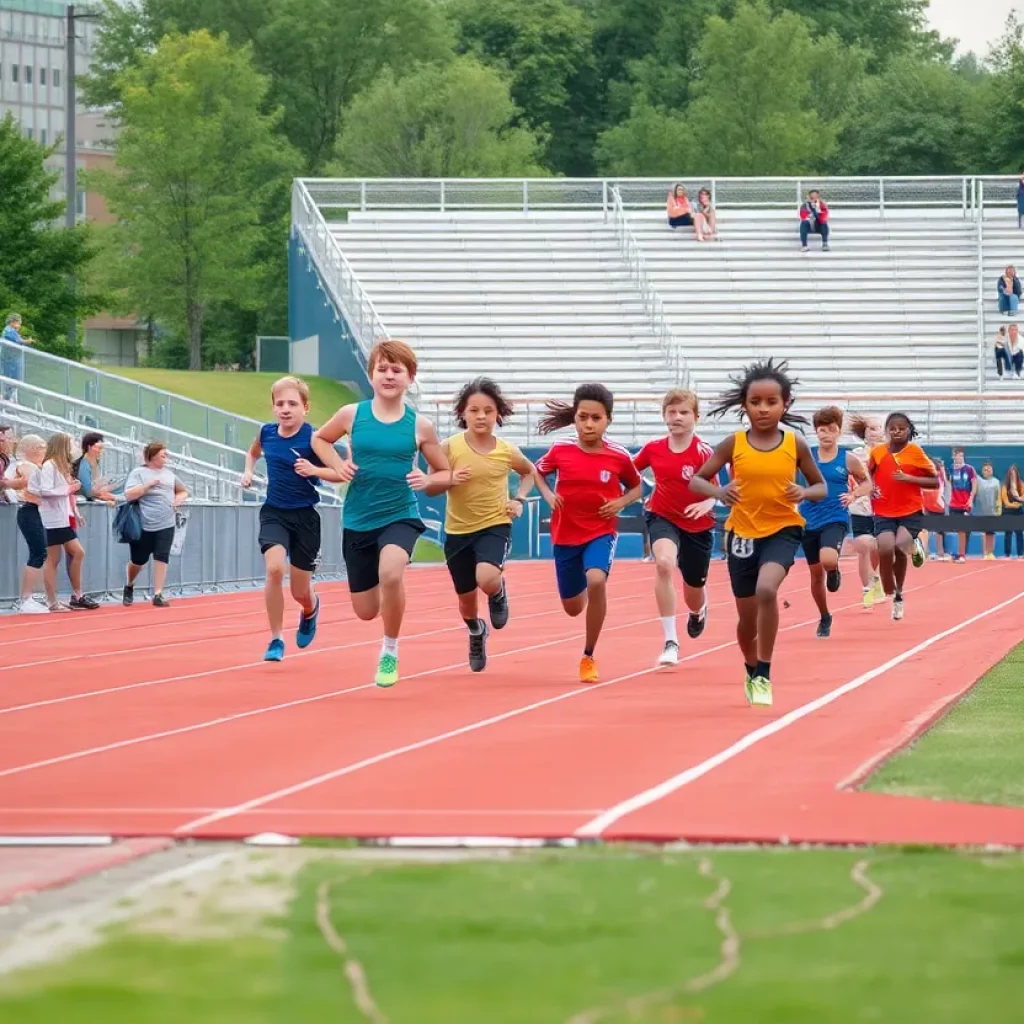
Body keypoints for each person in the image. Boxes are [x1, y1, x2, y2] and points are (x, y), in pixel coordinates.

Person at [312, 341, 450, 689]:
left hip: (400, 513)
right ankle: (382, 615)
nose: (389, 375)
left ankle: (390, 649)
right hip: (358, 518)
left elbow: (444, 473)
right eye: (382, 369)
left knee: (391, 573)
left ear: (410, 377)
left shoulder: (420, 425)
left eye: (397, 370)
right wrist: (338, 465)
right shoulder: (351, 414)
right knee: (365, 610)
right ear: (371, 374)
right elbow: (319, 440)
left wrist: (428, 479)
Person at [690, 359, 826, 707]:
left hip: (783, 529)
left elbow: (820, 487)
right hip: (742, 536)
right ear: (744, 405)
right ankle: (751, 667)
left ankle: (764, 672)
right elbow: (697, 479)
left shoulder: (794, 444)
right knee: (746, 621)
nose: (763, 409)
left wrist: (804, 493)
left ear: (786, 404)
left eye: (771, 402)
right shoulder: (733, 443)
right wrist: (719, 492)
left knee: (768, 589)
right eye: (756, 402)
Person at [532, 383, 642, 684]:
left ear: (608, 420)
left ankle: (588, 654)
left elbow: (637, 486)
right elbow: (537, 472)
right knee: (572, 607)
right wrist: (548, 496)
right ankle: (581, 592)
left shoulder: (618, 456)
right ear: (574, 417)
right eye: (583, 417)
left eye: (596, 418)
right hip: (566, 534)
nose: (589, 424)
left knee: (596, 580)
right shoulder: (561, 450)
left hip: (600, 531)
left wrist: (620, 502)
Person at [424, 378, 536, 672]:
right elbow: (430, 486)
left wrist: (520, 499)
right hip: (457, 532)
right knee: (466, 603)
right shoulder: (448, 447)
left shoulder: (506, 450)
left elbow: (529, 472)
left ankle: (498, 592)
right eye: (474, 410)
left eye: (488, 410)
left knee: (486, 577)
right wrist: (449, 478)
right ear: (463, 413)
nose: (481, 416)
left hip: (495, 525)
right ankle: (476, 631)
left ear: (498, 413)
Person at [242, 376, 327, 661]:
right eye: (280, 404)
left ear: (306, 407)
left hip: (305, 518)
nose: (285, 409)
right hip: (275, 512)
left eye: (292, 403)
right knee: (275, 569)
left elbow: (340, 471)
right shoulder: (266, 433)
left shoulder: (314, 438)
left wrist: (314, 470)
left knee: (299, 590)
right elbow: (253, 453)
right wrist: (249, 472)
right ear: (273, 407)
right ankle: (276, 639)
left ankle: (310, 607)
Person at [633, 388, 717, 668]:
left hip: (698, 525)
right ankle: (671, 641)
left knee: (693, 588)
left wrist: (706, 504)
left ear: (696, 417)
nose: (677, 417)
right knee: (664, 565)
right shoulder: (653, 448)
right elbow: (629, 471)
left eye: (683, 412)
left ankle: (698, 610)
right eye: (672, 412)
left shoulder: (704, 452)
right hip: (662, 516)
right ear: (664, 416)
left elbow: (715, 490)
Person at [800, 406, 870, 638]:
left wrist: (853, 494)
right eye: (822, 430)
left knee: (827, 559)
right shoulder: (806, 455)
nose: (826, 434)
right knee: (815, 576)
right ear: (816, 432)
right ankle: (824, 616)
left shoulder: (848, 458)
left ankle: (834, 569)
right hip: (808, 519)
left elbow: (868, 484)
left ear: (838, 432)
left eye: (831, 429)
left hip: (835, 518)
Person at [866, 413, 938, 621]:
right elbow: (868, 474)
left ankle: (899, 593)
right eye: (893, 428)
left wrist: (908, 478)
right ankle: (890, 589)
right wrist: (871, 488)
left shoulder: (915, 452)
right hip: (883, 510)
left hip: (910, 511)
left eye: (901, 428)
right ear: (887, 431)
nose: (897, 431)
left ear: (909, 431)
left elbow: (934, 482)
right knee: (886, 547)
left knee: (899, 546)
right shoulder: (878, 452)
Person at [29, 432, 99, 611]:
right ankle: (53, 600)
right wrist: (69, 488)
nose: (74, 446)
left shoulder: (59, 466)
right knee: (56, 558)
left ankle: (68, 597)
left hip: (60, 517)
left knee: (68, 555)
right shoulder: (49, 465)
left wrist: (73, 507)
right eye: (70, 443)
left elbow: (59, 491)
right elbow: (45, 491)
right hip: (52, 518)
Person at [122, 442, 189, 607]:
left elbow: (183, 490)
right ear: (152, 456)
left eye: (166, 455)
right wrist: (148, 485)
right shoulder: (138, 473)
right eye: (162, 455)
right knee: (138, 560)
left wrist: (179, 499)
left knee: (162, 556)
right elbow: (129, 495)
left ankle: (158, 593)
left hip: (166, 522)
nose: (165, 458)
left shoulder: (169, 474)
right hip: (143, 523)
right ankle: (129, 584)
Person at [4, 434, 48, 613]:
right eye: (39, 447)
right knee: (38, 552)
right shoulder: (26, 466)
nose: (42, 450)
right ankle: (26, 597)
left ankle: (31, 595)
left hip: (34, 511)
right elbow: (33, 489)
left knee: (41, 552)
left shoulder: (34, 466)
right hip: (29, 510)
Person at [847, 415, 886, 605]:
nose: (875, 432)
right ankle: (866, 589)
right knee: (864, 546)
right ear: (864, 433)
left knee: (878, 547)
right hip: (861, 507)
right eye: (871, 428)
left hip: (882, 507)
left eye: (878, 428)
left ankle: (876, 577)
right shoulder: (856, 455)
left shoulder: (889, 453)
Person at [948, 447, 977, 562]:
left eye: (960, 455)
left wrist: (971, 499)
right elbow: (949, 483)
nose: (958, 457)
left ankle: (962, 554)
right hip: (954, 504)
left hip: (965, 503)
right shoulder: (951, 468)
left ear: (963, 456)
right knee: (956, 529)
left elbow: (974, 484)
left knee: (963, 529)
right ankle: (958, 553)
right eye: (956, 455)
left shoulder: (969, 469)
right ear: (953, 456)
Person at [73, 432, 116, 503]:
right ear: (89, 447)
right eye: (99, 448)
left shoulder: (94, 464)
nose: (101, 451)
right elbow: (87, 492)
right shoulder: (84, 466)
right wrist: (102, 493)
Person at [1, 313, 32, 399]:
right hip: (10, 361)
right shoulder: (9, 331)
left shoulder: (11, 331)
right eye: (18, 323)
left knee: (12, 379)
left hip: (10, 360)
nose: (19, 326)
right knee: (11, 379)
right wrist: (28, 341)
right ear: (12, 322)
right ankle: (7, 398)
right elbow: (19, 341)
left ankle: (8, 397)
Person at [975, 461, 1002, 560]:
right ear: (982, 471)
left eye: (989, 469)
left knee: (991, 533)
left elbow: (998, 497)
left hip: (993, 512)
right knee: (983, 533)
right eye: (985, 470)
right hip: (982, 512)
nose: (987, 471)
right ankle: (985, 552)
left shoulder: (996, 482)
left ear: (992, 470)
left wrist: (998, 510)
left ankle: (991, 552)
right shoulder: (979, 481)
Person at [1001, 465, 1023, 558]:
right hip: (1007, 512)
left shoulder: (1021, 484)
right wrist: (1015, 504)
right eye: (1011, 474)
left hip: (1018, 512)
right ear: (1008, 475)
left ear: (1017, 474)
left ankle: (1020, 554)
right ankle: (1007, 554)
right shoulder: (1005, 486)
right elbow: (1005, 502)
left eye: (1014, 474)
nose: (1012, 475)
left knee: (1019, 533)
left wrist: (1018, 499)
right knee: (1008, 533)